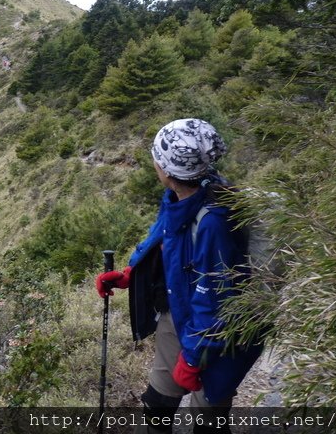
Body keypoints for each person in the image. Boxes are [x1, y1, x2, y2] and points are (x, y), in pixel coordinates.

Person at [96, 118, 263, 433]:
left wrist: (193, 358)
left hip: (214, 335)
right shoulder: (183, 194)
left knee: (209, 420)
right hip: (177, 311)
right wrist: (133, 272)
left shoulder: (214, 221)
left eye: (157, 159)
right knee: (158, 403)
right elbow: (165, 236)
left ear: (169, 170)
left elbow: (217, 301)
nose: (154, 164)